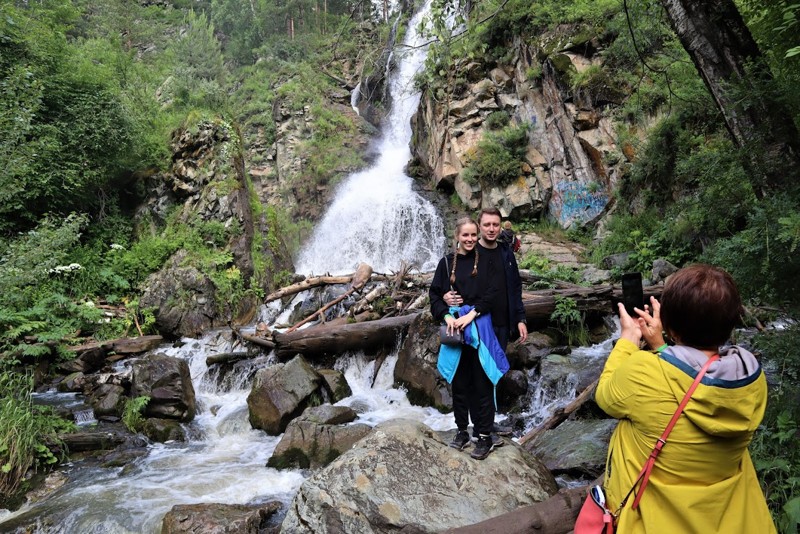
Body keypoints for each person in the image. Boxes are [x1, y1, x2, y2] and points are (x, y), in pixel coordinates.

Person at [596, 264, 776, 533]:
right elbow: (697, 377)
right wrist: (663, 346)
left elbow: (605, 395)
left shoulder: (643, 371)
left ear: (670, 326)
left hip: (654, 522)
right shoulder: (751, 380)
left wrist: (628, 338)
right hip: (729, 521)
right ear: (729, 325)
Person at [444, 208, 528, 441]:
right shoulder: (472, 252)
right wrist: (445, 298)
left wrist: (520, 318)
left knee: (491, 373)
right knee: (477, 374)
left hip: (503, 321)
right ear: (479, 227)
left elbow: (515, 287)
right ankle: (481, 423)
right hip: (479, 324)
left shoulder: (505, 253)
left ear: (501, 227)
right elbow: (452, 285)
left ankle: (487, 421)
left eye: (496, 225)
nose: (491, 229)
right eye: (487, 225)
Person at [429, 217, 509, 460]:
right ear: (457, 236)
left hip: (479, 327)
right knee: (460, 382)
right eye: (465, 235)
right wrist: (446, 314)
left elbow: (494, 293)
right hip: (455, 327)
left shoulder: (486, 261)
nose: (470, 239)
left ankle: (484, 436)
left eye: (474, 235)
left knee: (482, 382)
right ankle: (462, 431)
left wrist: (471, 315)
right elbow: (434, 294)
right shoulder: (445, 263)